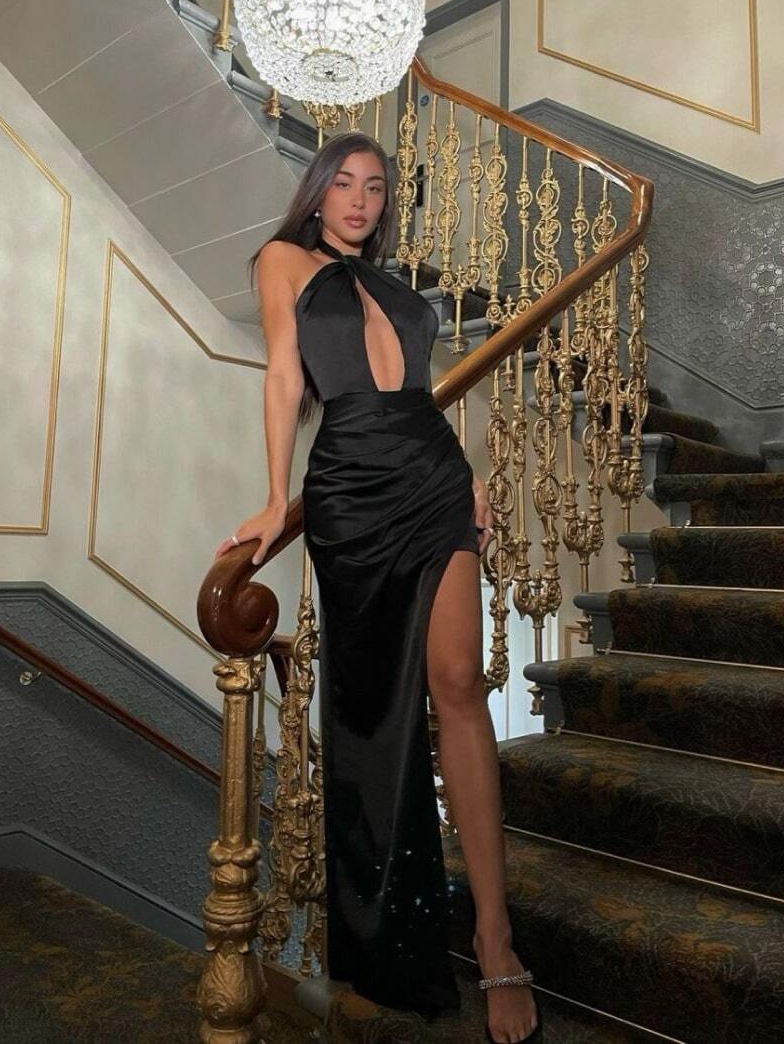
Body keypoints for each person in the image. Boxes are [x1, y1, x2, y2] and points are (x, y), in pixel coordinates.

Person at [214, 131, 539, 1044]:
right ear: (318, 194)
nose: (360, 199)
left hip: (433, 476)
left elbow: (419, 391)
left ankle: (495, 937)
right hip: (353, 490)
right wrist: (276, 495)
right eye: (345, 183)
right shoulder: (280, 260)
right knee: (371, 709)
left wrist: (466, 474)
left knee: (459, 682)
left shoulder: (394, 284)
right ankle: (387, 933)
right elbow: (286, 374)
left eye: (376, 187)